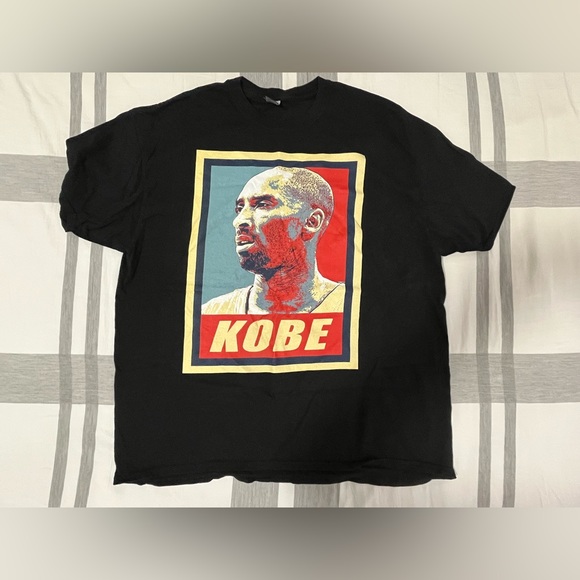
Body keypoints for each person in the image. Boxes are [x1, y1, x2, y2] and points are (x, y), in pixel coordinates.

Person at [201, 166, 345, 314]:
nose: (239, 221)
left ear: (311, 222)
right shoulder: (212, 312)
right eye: (240, 208)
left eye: (262, 205)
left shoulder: (350, 306)